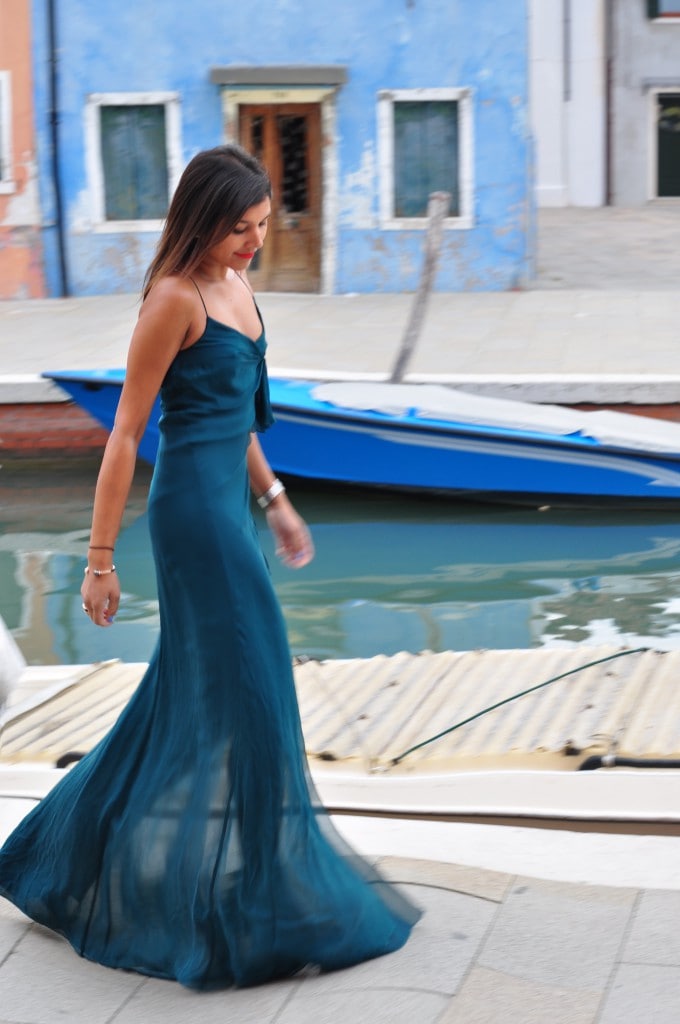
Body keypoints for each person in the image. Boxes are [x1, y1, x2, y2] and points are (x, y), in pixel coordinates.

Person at [0, 144, 421, 989]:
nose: (255, 242)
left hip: (235, 508)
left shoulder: (240, 288)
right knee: (258, 686)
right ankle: (263, 891)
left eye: (263, 226)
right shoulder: (173, 299)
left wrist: (277, 500)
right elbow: (125, 433)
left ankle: (55, 858)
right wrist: (98, 557)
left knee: (189, 697)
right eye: (240, 228)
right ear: (202, 221)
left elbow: (240, 418)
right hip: (192, 519)